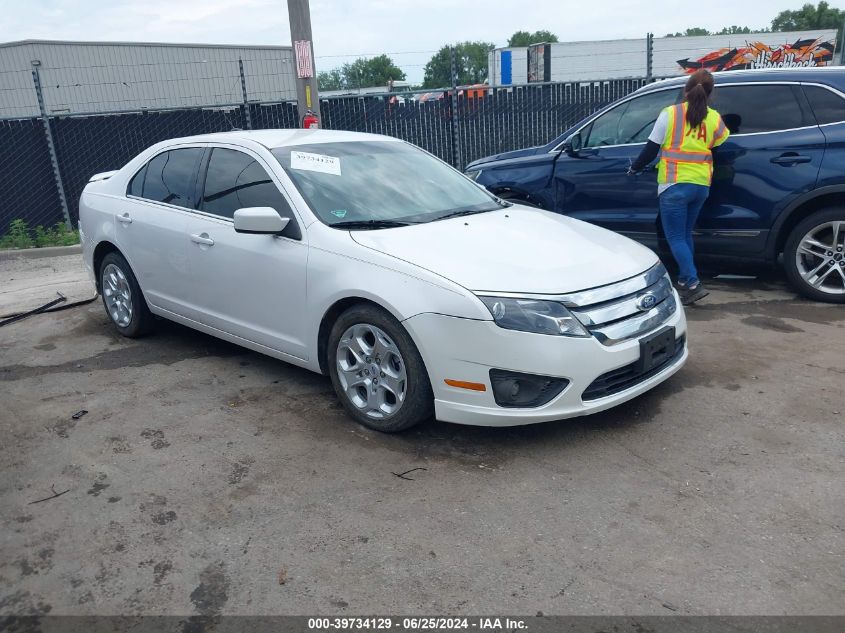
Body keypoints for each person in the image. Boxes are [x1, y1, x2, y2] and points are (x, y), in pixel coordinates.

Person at [628, 69, 729, 305]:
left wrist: (634, 168)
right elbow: (716, 146)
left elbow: (651, 149)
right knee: (684, 235)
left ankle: (693, 283)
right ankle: (685, 280)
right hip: (701, 185)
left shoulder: (670, 114)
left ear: (686, 89)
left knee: (675, 236)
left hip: (674, 185)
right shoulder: (714, 118)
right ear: (710, 93)